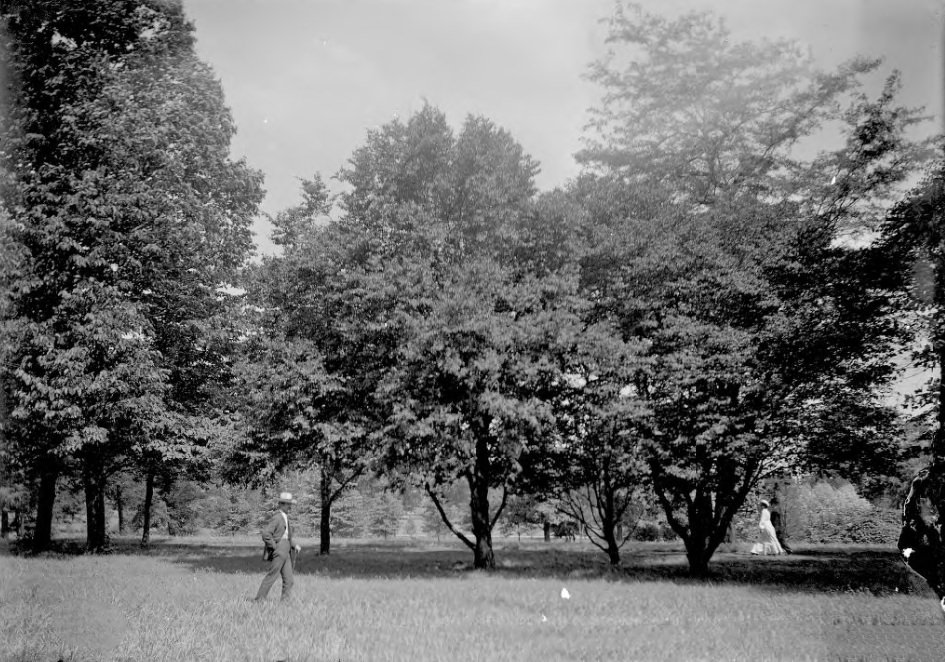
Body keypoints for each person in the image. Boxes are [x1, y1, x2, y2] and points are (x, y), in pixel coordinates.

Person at [254, 492, 301, 602]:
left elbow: (286, 536)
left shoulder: (285, 517)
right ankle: (259, 600)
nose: (290, 507)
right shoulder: (277, 517)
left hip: (286, 551)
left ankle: (285, 603)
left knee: (289, 579)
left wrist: (294, 545)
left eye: (290, 504)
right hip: (280, 550)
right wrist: (275, 546)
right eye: (288, 504)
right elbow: (266, 534)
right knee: (272, 576)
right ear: (282, 504)